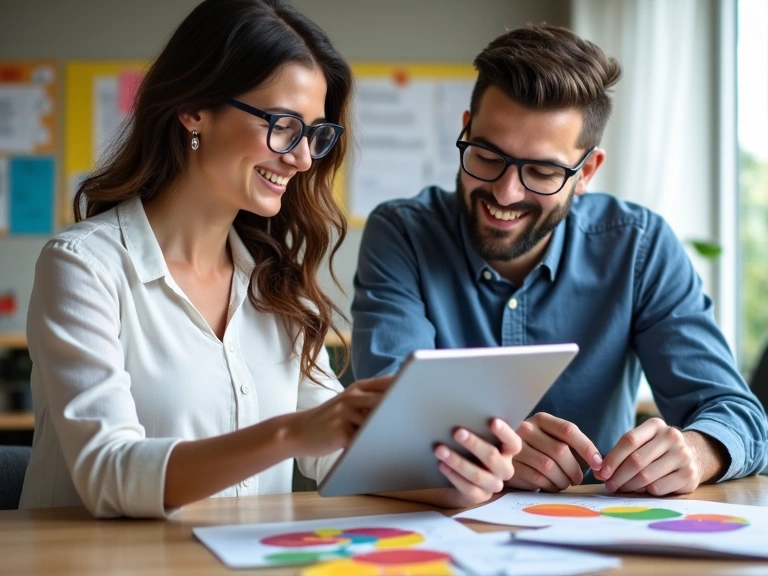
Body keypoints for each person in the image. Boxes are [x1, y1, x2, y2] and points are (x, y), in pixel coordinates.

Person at [19, 0, 520, 519]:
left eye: (315, 134)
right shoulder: (84, 267)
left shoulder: (277, 287)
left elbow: (347, 458)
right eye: (283, 124)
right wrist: (291, 432)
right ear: (194, 108)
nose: (303, 158)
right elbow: (109, 474)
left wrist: (462, 477)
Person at [352, 24, 768, 497]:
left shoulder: (640, 245)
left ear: (586, 172)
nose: (506, 193)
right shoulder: (403, 234)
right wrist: (491, 449)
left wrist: (698, 450)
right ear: (465, 129)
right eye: (487, 156)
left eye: (543, 171)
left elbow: (738, 415)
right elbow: (386, 415)